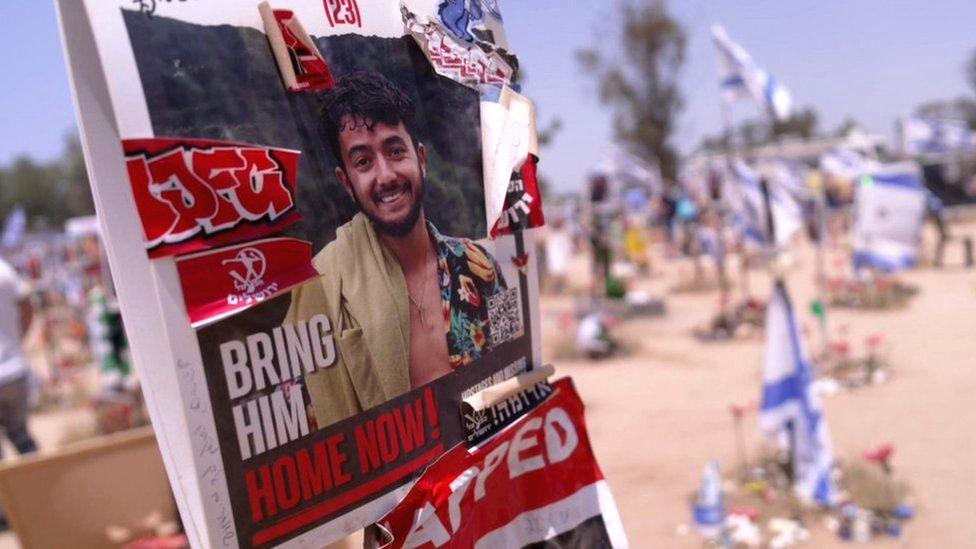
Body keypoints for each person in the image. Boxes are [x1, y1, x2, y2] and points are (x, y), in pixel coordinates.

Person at [286, 72, 507, 428]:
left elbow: (516, 374)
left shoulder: (480, 268)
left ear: (421, 158)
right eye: (363, 162)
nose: (385, 175)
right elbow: (303, 424)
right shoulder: (322, 291)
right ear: (346, 183)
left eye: (395, 151)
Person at [0, 255, 37, 530]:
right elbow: (27, 306)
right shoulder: (4, 270)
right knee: (22, 438)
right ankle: (40, 499)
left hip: (12, 368)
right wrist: (16, 340)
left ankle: (8, 516)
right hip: (14, 370)